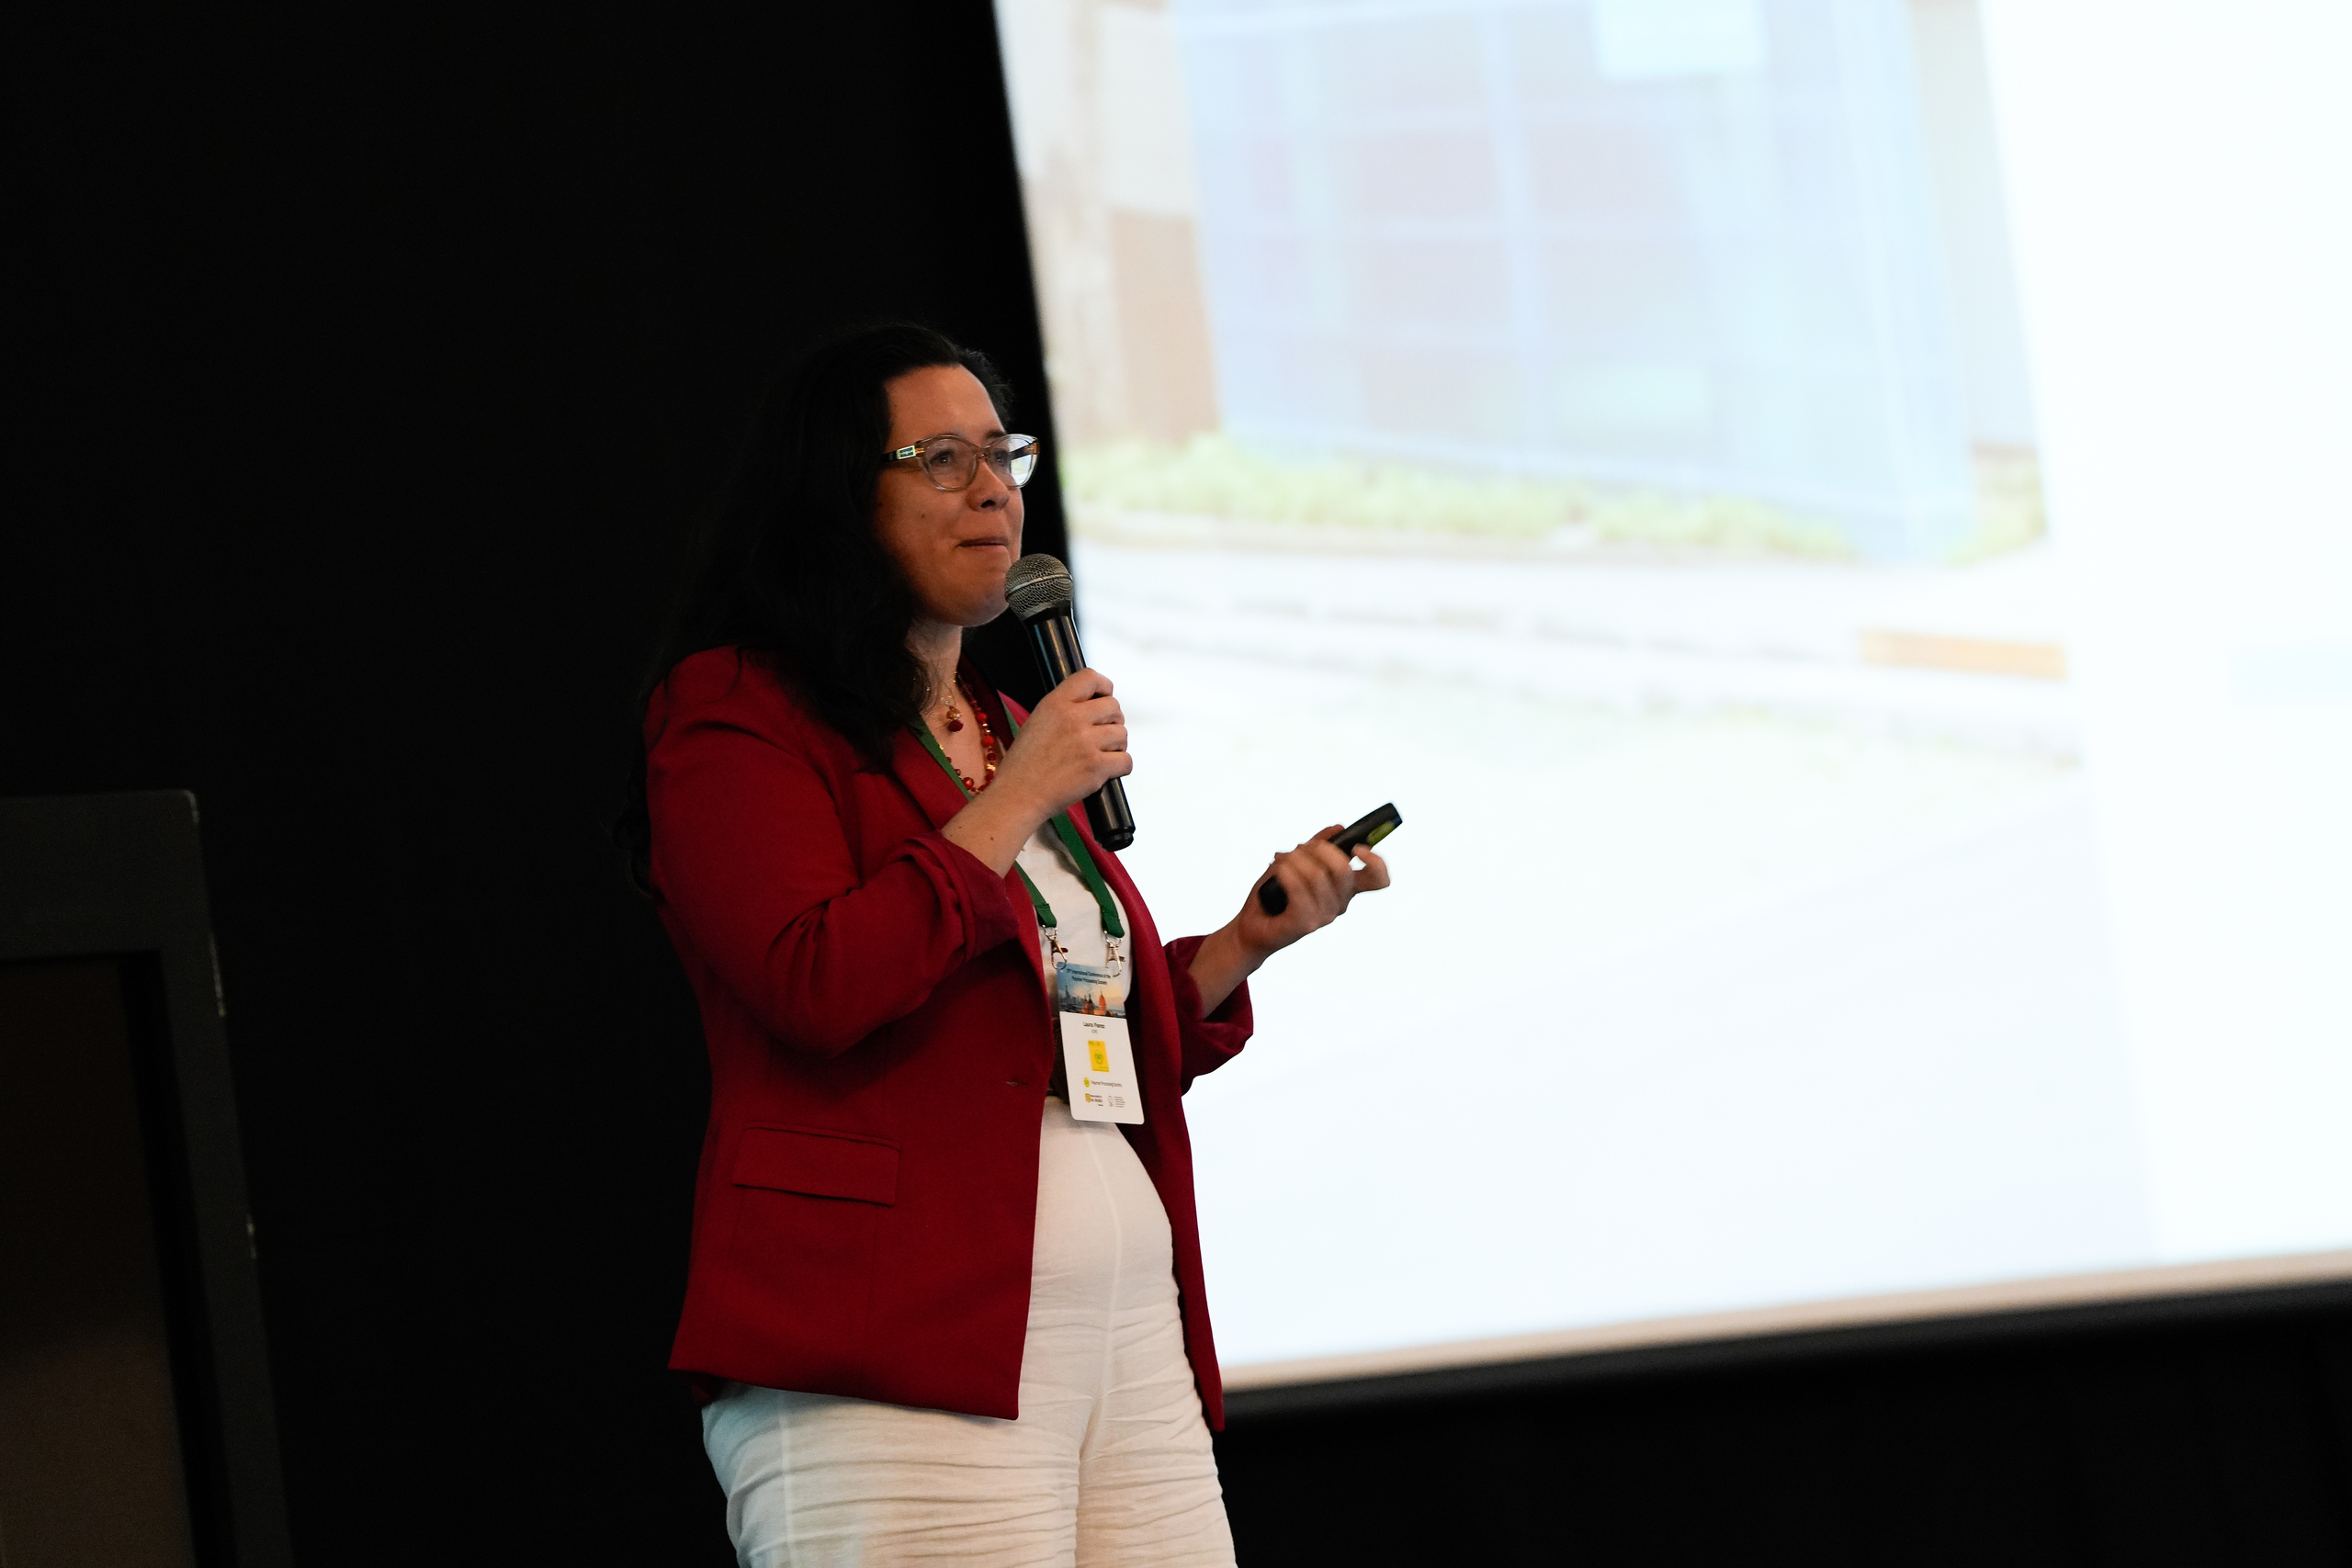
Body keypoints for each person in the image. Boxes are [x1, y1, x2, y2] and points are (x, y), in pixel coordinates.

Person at [624, 322, 1390, 1566]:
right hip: (894, 1348)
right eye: (942, 459)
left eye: (1003, 454)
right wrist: (1022, 792)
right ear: (839, 495)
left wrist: (1244, 945)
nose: (992, 489)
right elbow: (817, 981)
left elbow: (1061, 1026)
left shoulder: (1005, 722)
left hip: (1126, 1341)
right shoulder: (740, 711)